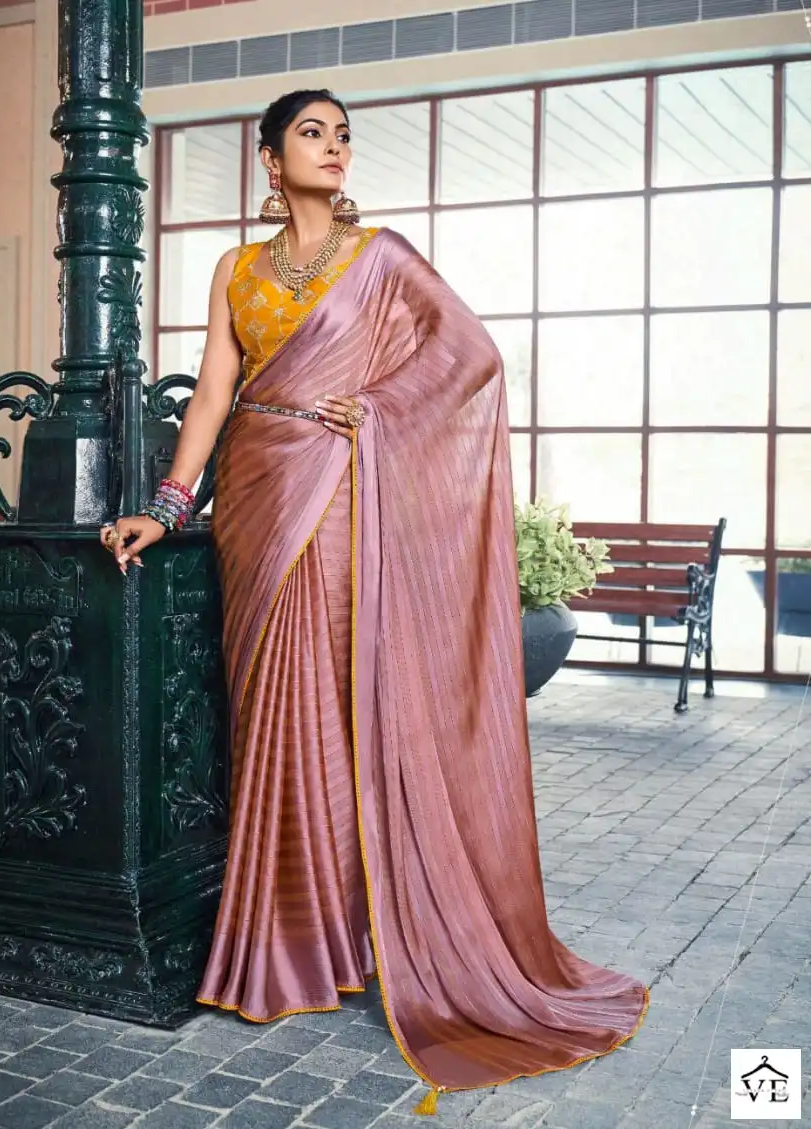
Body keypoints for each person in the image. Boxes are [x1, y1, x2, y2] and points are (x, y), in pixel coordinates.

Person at [101, 89, 649, 1115]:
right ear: (270, 159)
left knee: (342, 711)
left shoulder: (383, 258)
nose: (335, 147)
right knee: (272, 716)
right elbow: (215, 395)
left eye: (344, 135)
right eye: (312, 132)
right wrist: (168, 507)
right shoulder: (236, 269)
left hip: (343, 496)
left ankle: (358, 933)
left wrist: (381, 406)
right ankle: (290, 940)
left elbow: (469, 355)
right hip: (256, 497)